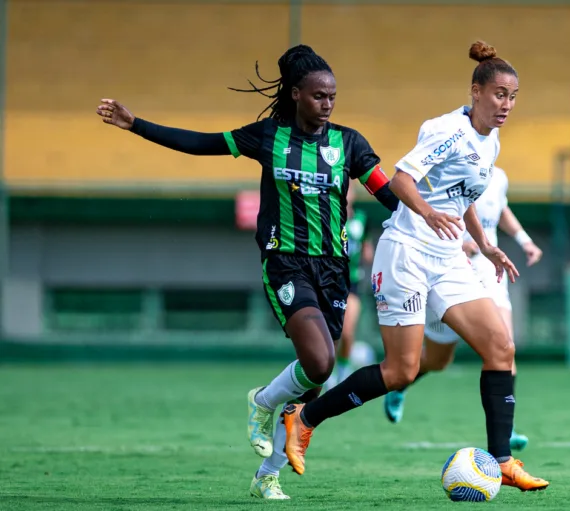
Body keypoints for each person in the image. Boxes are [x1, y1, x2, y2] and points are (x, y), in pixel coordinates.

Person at [96, 45, 400, 500]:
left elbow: (388, 193)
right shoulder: (267, 137)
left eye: (333, 96)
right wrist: (135, 124)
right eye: (319, 96)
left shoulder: (350, 143)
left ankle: (268, 472)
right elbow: (200, 143)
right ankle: (262, 402)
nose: (327, 104)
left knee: (313, 381)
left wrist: (434, 218)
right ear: (296, 94)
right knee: (320, 362)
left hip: (334, 269)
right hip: (285, 262)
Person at [279, 41, 549, 492]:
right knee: (401, 370)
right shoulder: (446, 130)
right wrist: (426, 213)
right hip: (405, 252)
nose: (507, 104)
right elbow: (401, 179)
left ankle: (501, 460)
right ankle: (305, 418)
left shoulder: (491, 140)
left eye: (514, 95)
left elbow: (465, 195)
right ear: (476, 91)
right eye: (500, 94)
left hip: (447, 255)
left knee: (501, 348)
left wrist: (484, 244)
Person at [382, 166, 543, 453]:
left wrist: (524, 240)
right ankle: (401, 384)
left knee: (505, 346)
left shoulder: (500, 176)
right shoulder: (448, 173)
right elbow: (427, 209)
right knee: (437, 360)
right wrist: (461, 241)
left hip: (492, 270)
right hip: (452, 269)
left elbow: (500, 208)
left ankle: (506, 429)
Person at [326, 184, 374, 389]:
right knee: (328, 334)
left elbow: (367, 250)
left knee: (347, 333)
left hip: (351, 284)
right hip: (327, 282)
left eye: (349, 190)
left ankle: (343, 371)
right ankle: (324, 373)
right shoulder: (326, 216)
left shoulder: (361, 219)